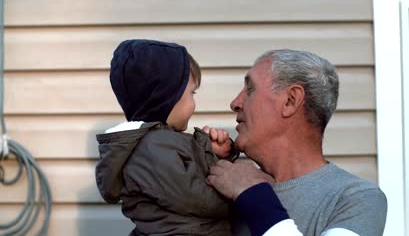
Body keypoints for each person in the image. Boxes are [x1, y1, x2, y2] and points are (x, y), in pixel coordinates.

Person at [206, 49, 388, 236]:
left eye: (250, 89)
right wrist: (205, 161)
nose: (235, 103)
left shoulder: (356, 199)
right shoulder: (231, 183)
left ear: (290, 101)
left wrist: (254, 195)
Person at [95, 39, 239, 236]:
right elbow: (198, 200)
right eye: (192, 93)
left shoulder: (162, 141)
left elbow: (190, 181)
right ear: (165, 96)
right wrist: (243, 195)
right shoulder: (152, 148)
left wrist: (214, 153)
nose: (194, 104)